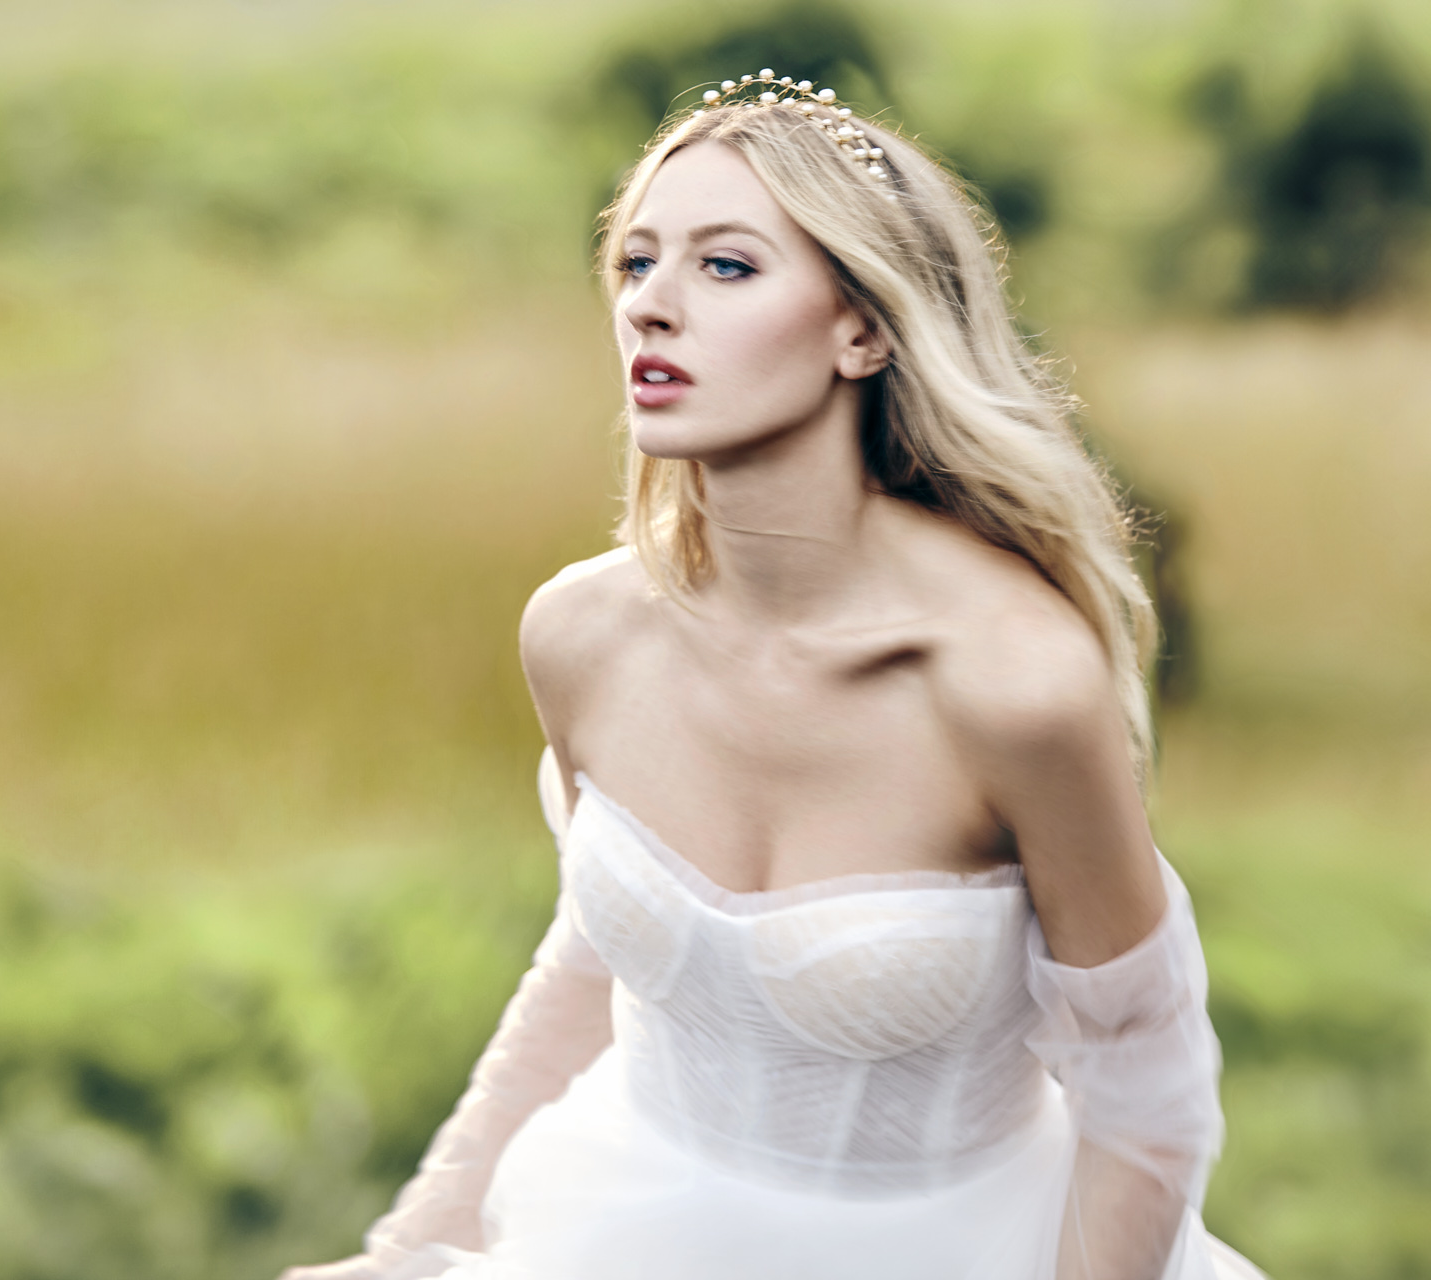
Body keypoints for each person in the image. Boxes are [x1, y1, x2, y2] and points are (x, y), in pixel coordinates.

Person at [283, 71, 1267, 1280]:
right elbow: (595, 967)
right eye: (636, 263)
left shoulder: (1013, 683)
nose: (651, 307)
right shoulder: (583, 633)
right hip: (620, 1231)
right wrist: (412, 1243)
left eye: (727, 266)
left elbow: (1145, 1096)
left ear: (864, 326)